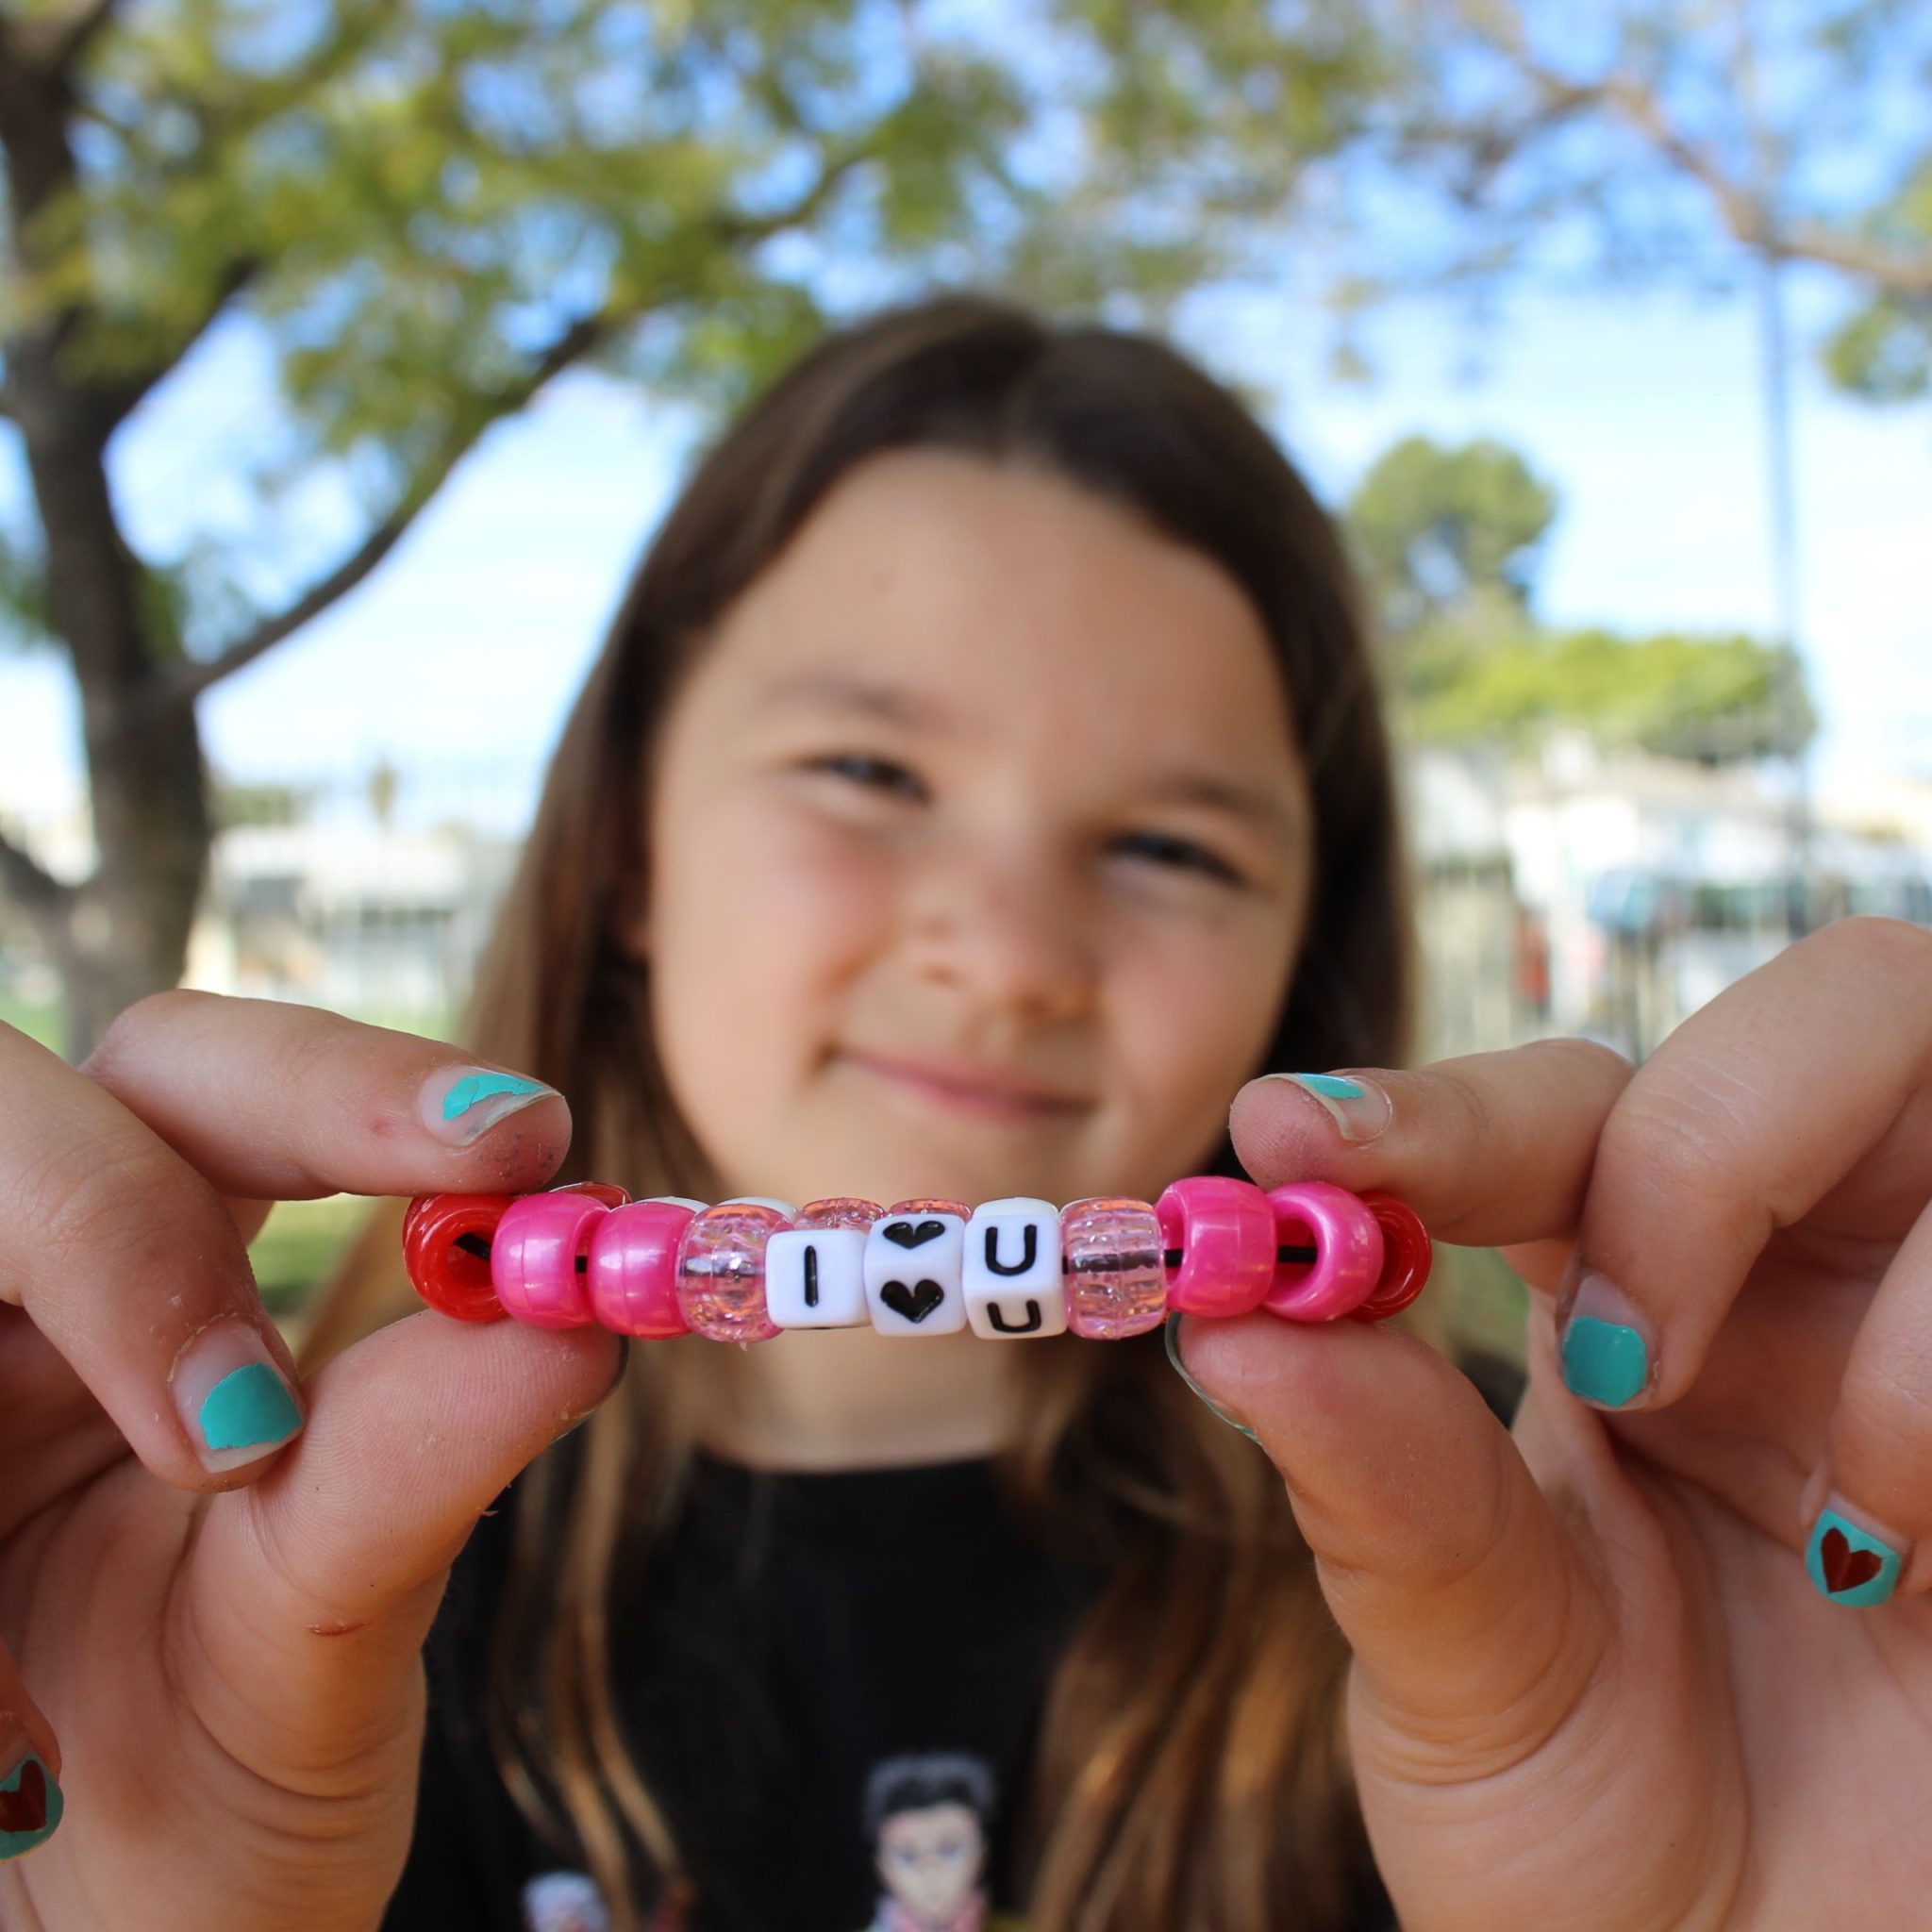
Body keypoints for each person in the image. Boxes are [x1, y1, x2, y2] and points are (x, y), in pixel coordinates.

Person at [0, 292, 1928, 1932]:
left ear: (1297, 960)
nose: (1008, 951)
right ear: (628, 854)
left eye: (1168, 842)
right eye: (864, 767)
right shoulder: (187, 1597)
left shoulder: (1602, 1565)